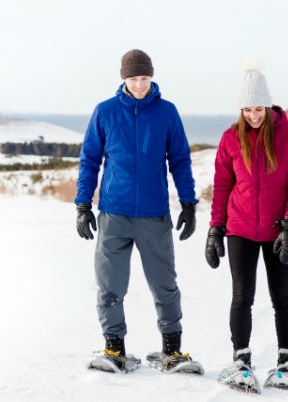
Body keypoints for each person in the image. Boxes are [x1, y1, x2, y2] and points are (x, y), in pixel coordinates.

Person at [75, 49, 199, 373]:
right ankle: (113, 348)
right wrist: (83, 205)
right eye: (134, 78)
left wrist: (188, 203)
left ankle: (172, 350)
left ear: (151, 77)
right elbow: (89, 161)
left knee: (164, 285)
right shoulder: (105, 112)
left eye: (144, 78)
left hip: (154, 215)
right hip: (113, 214)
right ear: (124, 79)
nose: (140, 84)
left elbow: (181, 161)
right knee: (110, 285)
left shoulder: (167, 113)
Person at [205, 60, 288, 390]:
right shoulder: (230, 138)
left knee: (282, 297)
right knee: (242, 297)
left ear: (268, 105)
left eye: (259, 109)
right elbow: (222, 184)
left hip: (278, 230)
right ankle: (241, 359)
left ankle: (286, 361)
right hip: (240, 229)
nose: (253, 115)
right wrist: (215, 229)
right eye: (248, 109)